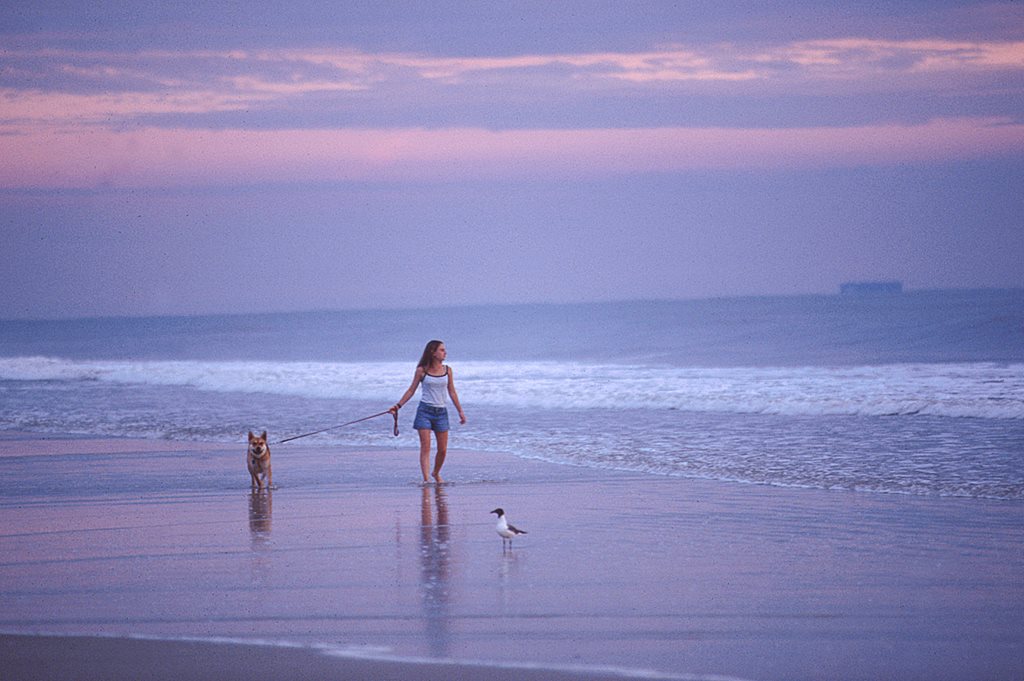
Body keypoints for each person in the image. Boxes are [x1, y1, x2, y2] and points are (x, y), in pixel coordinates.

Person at [390, 340, 466, 483]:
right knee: (426, 447)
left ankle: (435, 473)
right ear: (433, 352)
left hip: (441, 413)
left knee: (442, 450)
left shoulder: (448, 370)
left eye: (444, 350)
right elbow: (411, 390)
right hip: (424, 411)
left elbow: (452, 391)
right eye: (442, 350)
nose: (445, 353)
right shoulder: (422, 370)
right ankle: (426, 480)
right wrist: (398, 406)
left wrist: (460, 411)